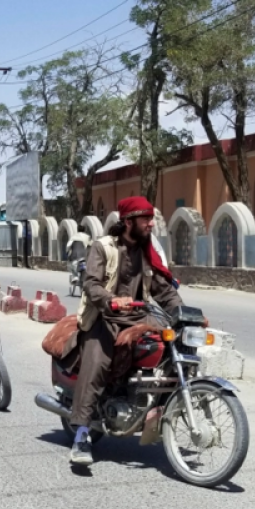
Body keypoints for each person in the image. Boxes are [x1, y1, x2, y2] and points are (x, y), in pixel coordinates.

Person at [67, 196, 184, 466]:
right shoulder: (103, 247)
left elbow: (163, 290)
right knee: (97, 363)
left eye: (151, 219)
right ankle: (82, 435)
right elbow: (91, 284)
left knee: (172, 346)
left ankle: (155, 411)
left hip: (137, 317)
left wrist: (185, 314)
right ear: (129, 222)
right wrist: (110, 299)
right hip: (104, 317)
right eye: (146, 219)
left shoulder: (146, 253)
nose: (151, 224)